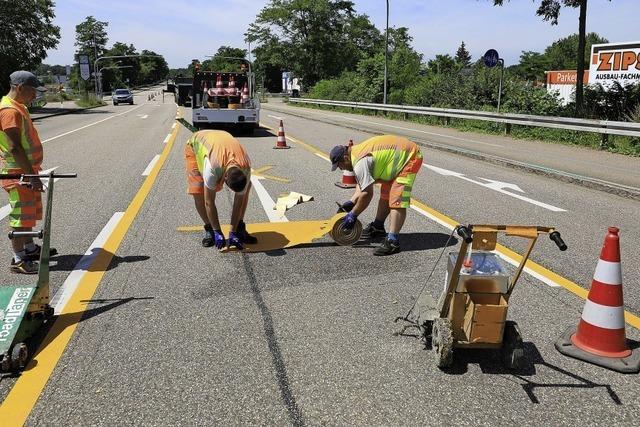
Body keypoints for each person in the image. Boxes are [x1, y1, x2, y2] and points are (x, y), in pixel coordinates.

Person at [331, 135, 423, 256]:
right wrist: (351, 202)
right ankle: (378, 227)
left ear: (345, 158)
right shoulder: (356, 155)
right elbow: (362, 185)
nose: (341, 169)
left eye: (339, 165)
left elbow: (367, 194)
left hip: (409, 157)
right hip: (395, 160)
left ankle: (393, 241)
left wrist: (353, 214)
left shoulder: (359, 162)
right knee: (385, 195)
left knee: (397, 200)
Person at [0, 71, 53, 273]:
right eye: (33, 91)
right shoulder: (9, 111)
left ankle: (30, 249)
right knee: (21, 217)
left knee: (29, 213)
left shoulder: (18, 106)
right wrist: (31, 175)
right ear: (19, 88)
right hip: (18, 173)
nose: (35, 96)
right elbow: (14, 147)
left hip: (25, 171)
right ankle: (18, 259)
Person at [184, 129, 257, 250]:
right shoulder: (212, 168)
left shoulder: (246, 168)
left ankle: (239, 228)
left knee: (246, 191)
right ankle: (210, 230)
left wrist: (233, 231)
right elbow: (209, 202)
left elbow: (239, 202)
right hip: (196, 145)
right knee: (198, 191)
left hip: (222, 140)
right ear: (225, 177)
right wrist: (217, 230)